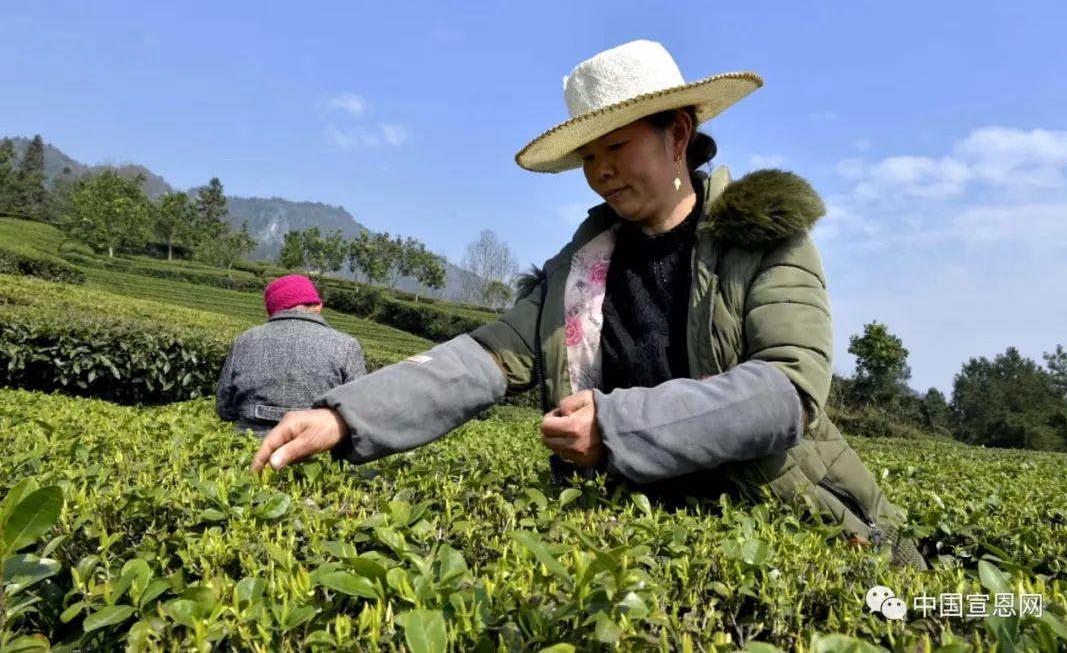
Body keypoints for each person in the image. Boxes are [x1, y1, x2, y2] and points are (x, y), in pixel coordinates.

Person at [250, 40, 926, 569]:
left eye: (618, 145)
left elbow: (786, 391)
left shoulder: (760, 242)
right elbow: (482, 359)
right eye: (590, 154)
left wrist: (618, 425)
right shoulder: (580, 273)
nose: (601, 169)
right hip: (635, 545)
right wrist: (344, 417)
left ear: (678, 137)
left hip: (789, 534)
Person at [216, 274, 366, 436]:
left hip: (247, 448)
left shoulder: (245, 339)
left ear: (273, 311)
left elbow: (225, 408)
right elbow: (358, 411)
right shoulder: (346, 345)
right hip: (315, 452)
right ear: (318, 306)